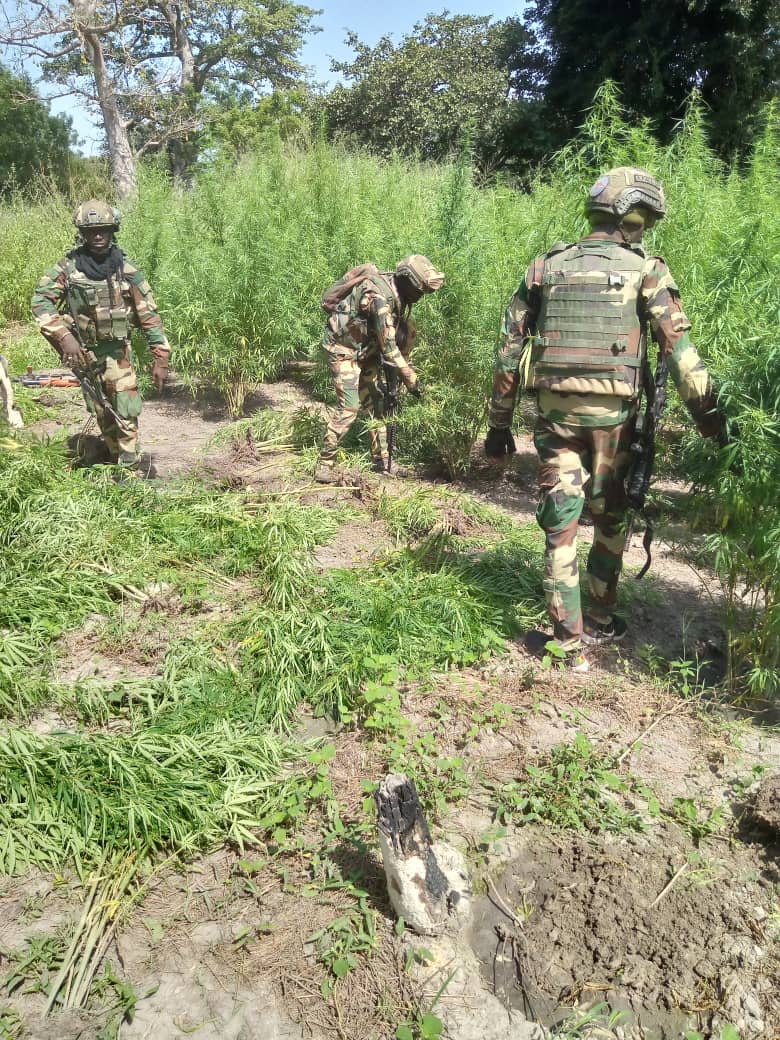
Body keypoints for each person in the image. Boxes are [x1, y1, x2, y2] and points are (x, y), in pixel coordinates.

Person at [485, 167, 726, 672]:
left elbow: (508, 353)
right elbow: (682, 356)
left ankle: (566, 640)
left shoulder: (544, 267)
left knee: (561, 521)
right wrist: (715, 426)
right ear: (634, 217)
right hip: (614, 422)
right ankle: (598, 614)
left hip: (554, 418)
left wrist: (499, 426)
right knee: (611, 515)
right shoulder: (648, 271)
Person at [31, 199, 171, 468]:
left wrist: (161, 357)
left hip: (118, 354)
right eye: (91, 231)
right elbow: (40, 302)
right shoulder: (67, 269)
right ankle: (113, 456)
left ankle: (130, 469)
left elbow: (149, 315)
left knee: (126, 410)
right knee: (101, 409)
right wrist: (64, 336)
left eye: (104, 230)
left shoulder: (126, 270)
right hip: (84, 354)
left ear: (112, 231)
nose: (98, 236)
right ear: (81, 234)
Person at [314, 254, 444, 483]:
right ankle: (324, 464)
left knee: (377, 403)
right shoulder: (380, 299)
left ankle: (383, 461)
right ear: (408, 282)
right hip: (343, 351)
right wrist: (412, 380)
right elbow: (390, 348)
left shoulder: (395, 292)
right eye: (419, 290)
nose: (421, 296)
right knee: (350, 408)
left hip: (365, 349)